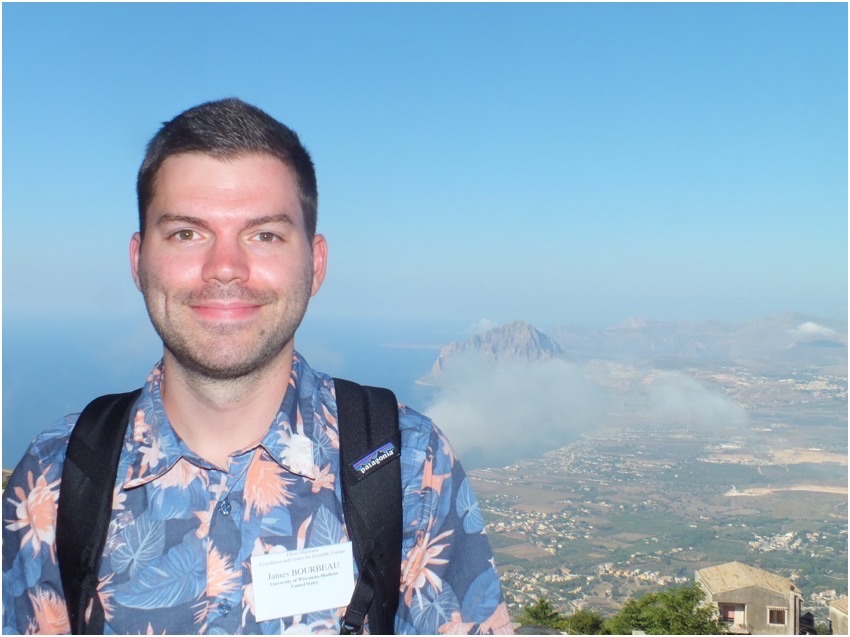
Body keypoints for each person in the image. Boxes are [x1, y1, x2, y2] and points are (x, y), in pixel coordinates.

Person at [2, 98, 512, 635]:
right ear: (138, 260)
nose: (225, 267)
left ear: (315, 264)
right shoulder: (56, 475)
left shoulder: (408, 464)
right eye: (186, 233)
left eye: (265, 234)